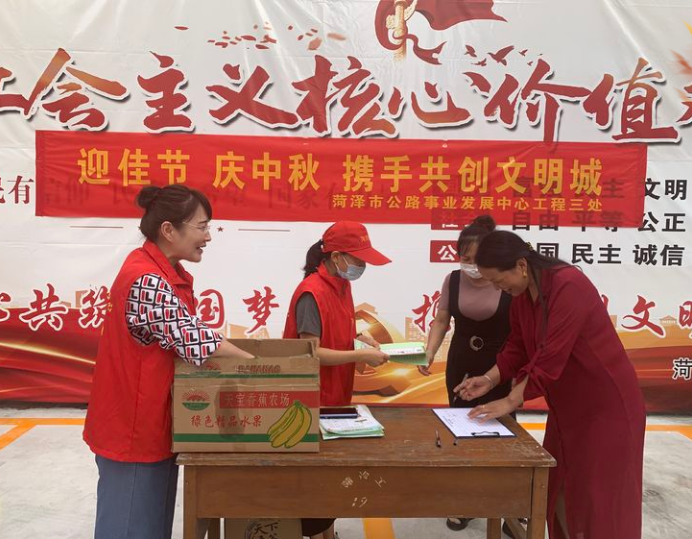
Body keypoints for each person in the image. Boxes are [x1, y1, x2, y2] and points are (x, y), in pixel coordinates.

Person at [83, 185, 254, 539]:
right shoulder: (145, 278)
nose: (208, 237)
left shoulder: (159, 271)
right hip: (133, 431)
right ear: (168, 230)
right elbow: (193, 339)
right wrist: (258, 364)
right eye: (202, 227)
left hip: (152, 422)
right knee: (130, 529)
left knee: (151, 526)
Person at [457, 230, 645, 539]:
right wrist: (489, 379)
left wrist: (510, 401)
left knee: (599, 497)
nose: (498, 288)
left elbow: (550, 356)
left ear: (521, 265)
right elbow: (517, 345)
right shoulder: (522, 295)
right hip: (567, 407)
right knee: (558, 488)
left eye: (498, 280)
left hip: (606, 408)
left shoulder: (568, 286)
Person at [284, 221, 390, 539]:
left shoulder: (341, 285)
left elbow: (341, 324)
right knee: (314, 479)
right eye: (358, 260)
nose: (362, 266)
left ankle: (327, 533)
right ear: (336, 257)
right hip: (310, 400)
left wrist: (362, 336)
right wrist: (360, 354)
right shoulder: (311, 293)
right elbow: (311, 353)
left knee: (330, 476)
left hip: (335, 396)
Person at [419, 215, 514, 535]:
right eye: (465, 258)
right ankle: (467, 499)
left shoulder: (506, 280)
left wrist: (505, 375)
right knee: (462, 427)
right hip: (462, 363)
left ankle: (508, 504)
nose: (471, 266)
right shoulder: (454, 280)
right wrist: (429, 352)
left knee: (501, 432)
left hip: (500, 365)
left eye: (477, 260)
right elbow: (441, 319)